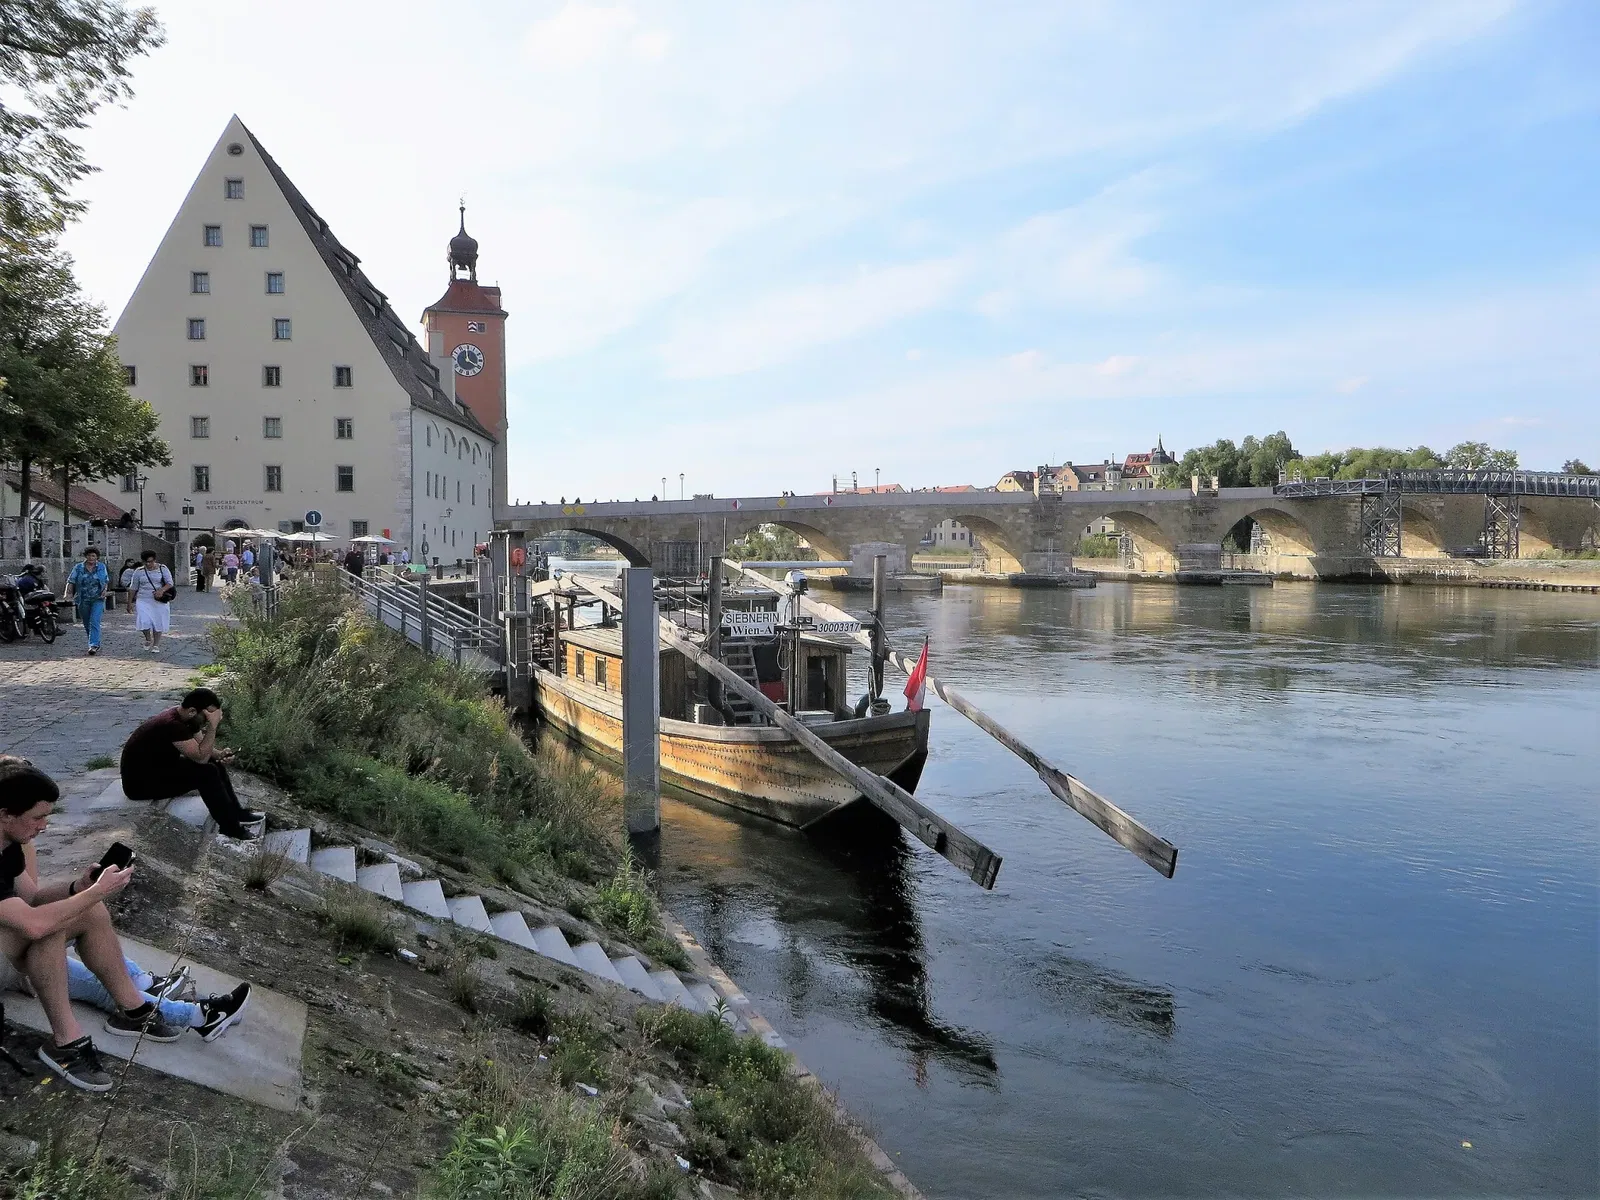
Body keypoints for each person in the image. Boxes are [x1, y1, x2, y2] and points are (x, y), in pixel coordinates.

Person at [0, 761, 175, 1091]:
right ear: (6, 813)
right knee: (50, 926)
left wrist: (78, 889)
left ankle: (132, 1010)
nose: (45, 826)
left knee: (88, 912)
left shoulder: (9, 846)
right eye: (37, 817)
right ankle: (66, 1043)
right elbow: (35, 924)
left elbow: (33, 898)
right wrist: (98, 891)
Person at [119, 688, 264, 840]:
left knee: (212, 762)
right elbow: (201, 757)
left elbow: (204, 748)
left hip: (158, 769)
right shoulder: (173, 725)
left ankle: (236, 812)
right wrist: (213, 727)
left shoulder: (187, 718)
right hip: (140, 785)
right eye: (207, 717)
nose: (208, 720)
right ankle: (231, 828)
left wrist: (220, 754)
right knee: (206, 773)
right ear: (193, 711)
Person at [63, 547, 110, 656]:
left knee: (94, 620)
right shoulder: (78, 567)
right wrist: (67, 593)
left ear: (97, 557)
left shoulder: (101, 567)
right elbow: (71, 581)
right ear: (86, 556)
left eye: (93, 556)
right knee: (86, 622)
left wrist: (105, 591)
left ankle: (93, 645)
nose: (91, 558)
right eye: (89, 555)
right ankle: (93, 641)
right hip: (82, 598)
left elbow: (105, 580)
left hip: (97, 598)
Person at [126, 550, 174, 653]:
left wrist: (161, 590)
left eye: (150, 561)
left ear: (155, 560)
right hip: (143, 599)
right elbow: (133, 587)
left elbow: (170, 583)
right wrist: (129, 603)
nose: (148, 564)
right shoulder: (139, 571)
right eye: (146, 562)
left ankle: (156, 644)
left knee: (158, 621)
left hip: (159, 599)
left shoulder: (162, 568)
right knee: (144, 620)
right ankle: (148, 638)